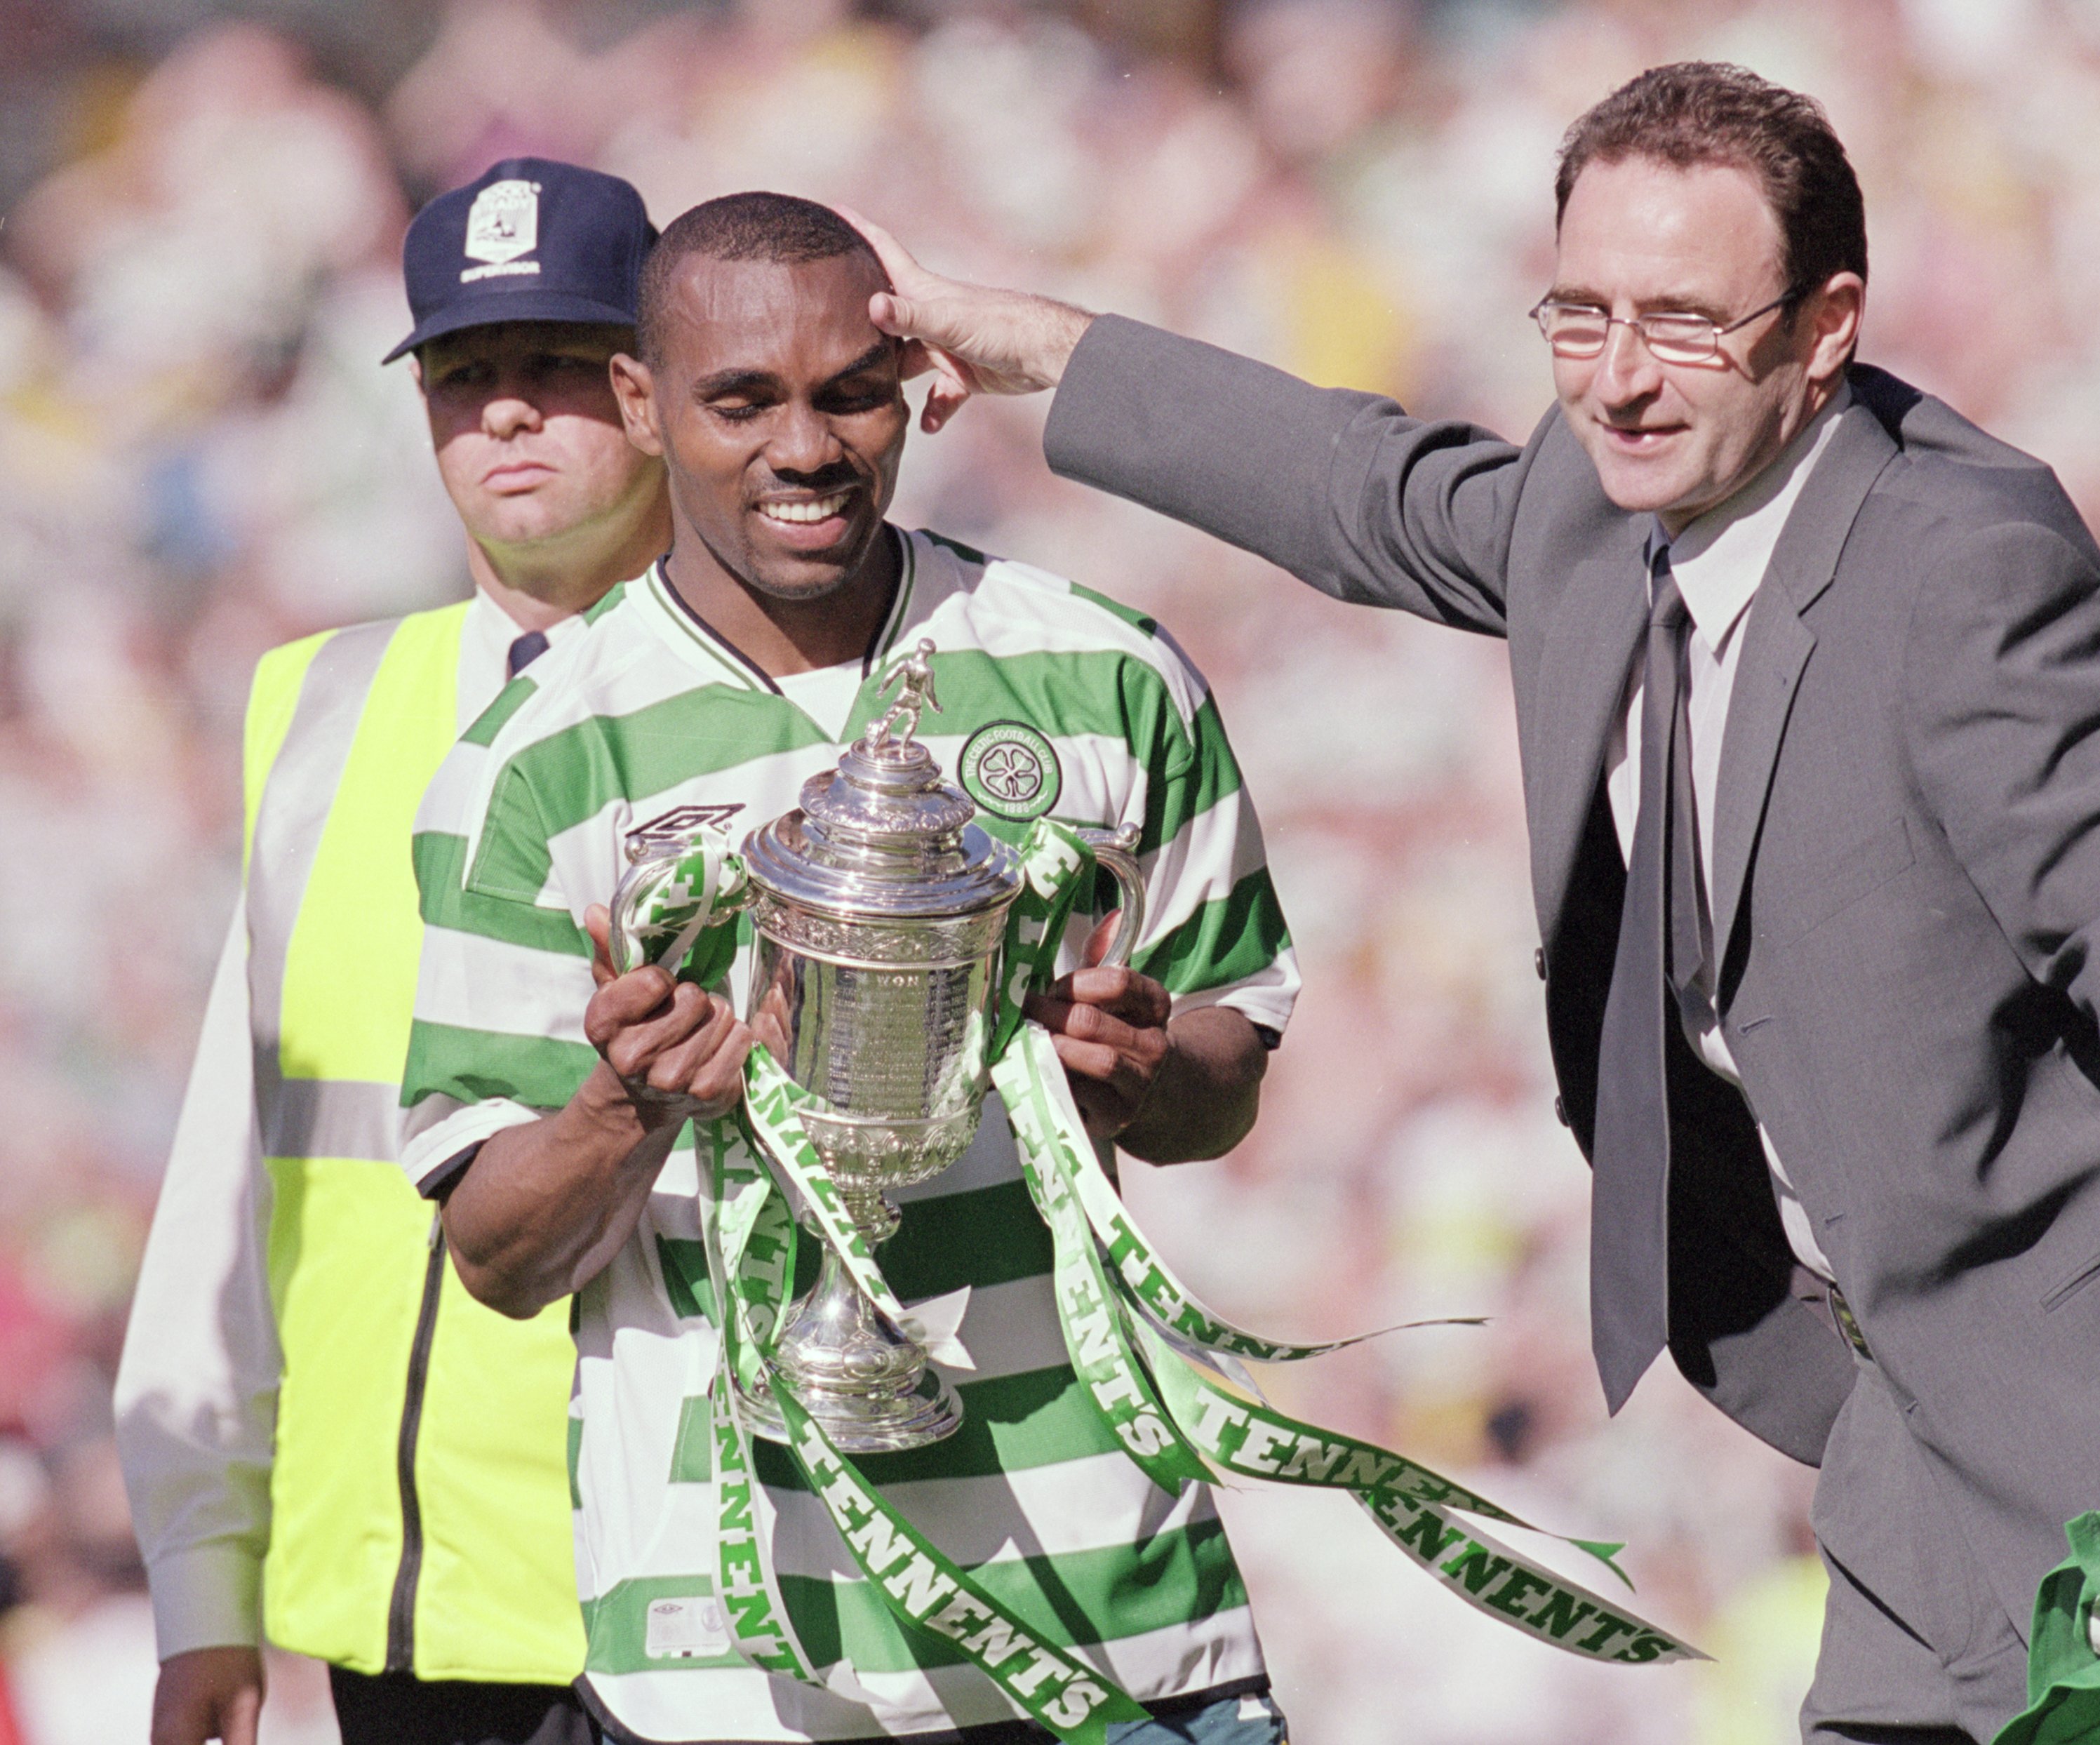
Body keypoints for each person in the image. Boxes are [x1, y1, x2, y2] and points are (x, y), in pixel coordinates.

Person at [849, 61, 2100, 1743]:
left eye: (1681, 322)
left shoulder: (1961, 568)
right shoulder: (1600, 506)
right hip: (1908, 1449)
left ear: (1825, 328)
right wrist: (1021, 347)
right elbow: (1356, 486)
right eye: (1578, 312)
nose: (1615, 379)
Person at [396, 192, 1299, 1745]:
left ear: (916, 389)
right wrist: (630, 1105)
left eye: (849, 393)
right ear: (642, 402)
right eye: (741, 400)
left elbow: (1230, 1071)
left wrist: (1147, 1070)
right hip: (732, 1667)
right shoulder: (537, 760)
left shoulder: (1105, 671)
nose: (804, 448)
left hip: (1118, 1631)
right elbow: (495, 1252)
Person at [115, 158, 671, 1745]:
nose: (505, 411)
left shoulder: (767, 714)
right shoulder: (321, 705)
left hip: (680, 1619)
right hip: (396, 1623)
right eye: (463, 372)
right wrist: (201, 1575)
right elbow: (236, 1166)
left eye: (558, 366)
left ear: (653, 390)